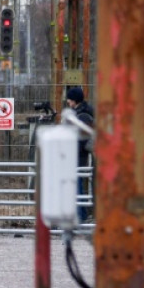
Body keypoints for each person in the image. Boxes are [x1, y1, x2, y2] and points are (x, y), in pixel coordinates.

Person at [65, 86, 95, 221]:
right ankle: (81, 215)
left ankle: (80, 216)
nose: (68, 102)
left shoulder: (82, 116)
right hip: (78, 154)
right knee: (77, 184)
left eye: (70, 99)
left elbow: (82, 138)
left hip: (78, 154)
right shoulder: (82, 113)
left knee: (76, 185)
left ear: (75, 100)